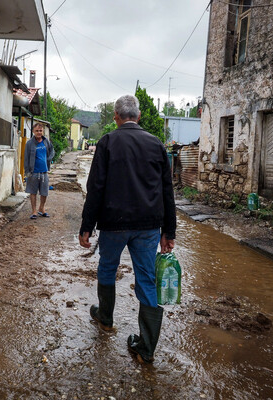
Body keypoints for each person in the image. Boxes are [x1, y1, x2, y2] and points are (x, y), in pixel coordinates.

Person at [78, 94, 176, 364]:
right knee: (146, 278)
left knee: (107, 268)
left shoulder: (108, 142)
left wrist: (87, 226)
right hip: (148, 227)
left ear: (116, 117)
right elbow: (168, 192)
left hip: (114, 224)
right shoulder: (157, 145)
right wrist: (170, 231)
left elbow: (95, 188)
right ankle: (146, 348)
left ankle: (106, 318)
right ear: (139, 116)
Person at [24, 122, 55, 219]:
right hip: (33, 172)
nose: (39, 132)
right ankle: (34, 211)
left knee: (44, 192)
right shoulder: (29, 143)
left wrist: (48, 159)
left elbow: (52, 151)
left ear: (43, 131)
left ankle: (42, 208)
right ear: (33, 131)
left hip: (44, 172)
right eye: (37, 131)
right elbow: (26, 158)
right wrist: (27, 172)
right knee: (33, 192)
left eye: (40, 131)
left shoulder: (46, 142)